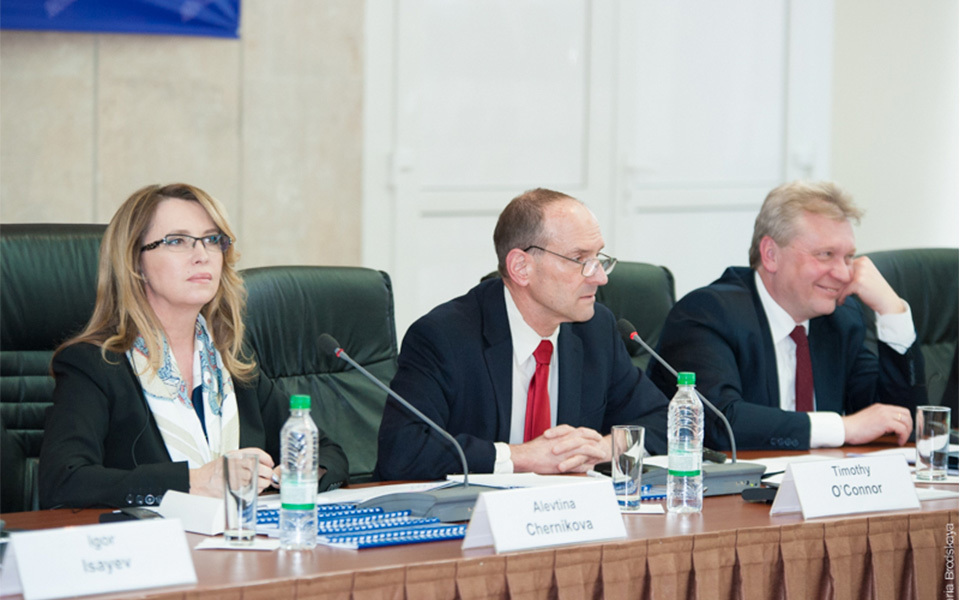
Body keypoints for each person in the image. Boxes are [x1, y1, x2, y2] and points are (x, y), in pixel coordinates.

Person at [39, 183, 347, 509]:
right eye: (177, 241)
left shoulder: (232, 361)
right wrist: (194, 481)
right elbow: (63, 482)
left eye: (212, 240)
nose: (202, 255)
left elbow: (327, 452)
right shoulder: (94, 364)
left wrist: (298, 473)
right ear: (134, 262)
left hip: (239, 537)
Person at [375, 188, 669, 481]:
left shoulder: (596, 330)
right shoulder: (444, 337)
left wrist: (604, 448)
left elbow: (665, 421)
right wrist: (520, 457)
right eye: (580, 259)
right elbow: (403, 451)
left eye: (599, 258)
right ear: (521, 267)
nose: (601, 277)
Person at [648, 181, 925, 451]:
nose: (843, 274)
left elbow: (898, 424)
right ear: (771, 255)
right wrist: (843, 428)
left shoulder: (841, 318)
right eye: (826, 255)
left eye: (848, 257)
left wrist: (892, 311)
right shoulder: (708, 313)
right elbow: (721, 422)